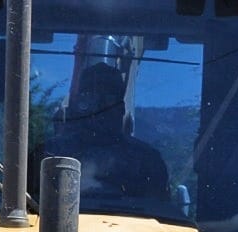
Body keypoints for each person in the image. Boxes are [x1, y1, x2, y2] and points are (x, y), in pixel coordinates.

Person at [41, 61, 170, 204]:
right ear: (78, 106)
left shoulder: (147, 161)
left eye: (108, 100)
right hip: (50, 226)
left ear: (121, 109)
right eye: (90, 98)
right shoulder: (49, 154)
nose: (99, 109)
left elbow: (159, 211)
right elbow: (27, 206)